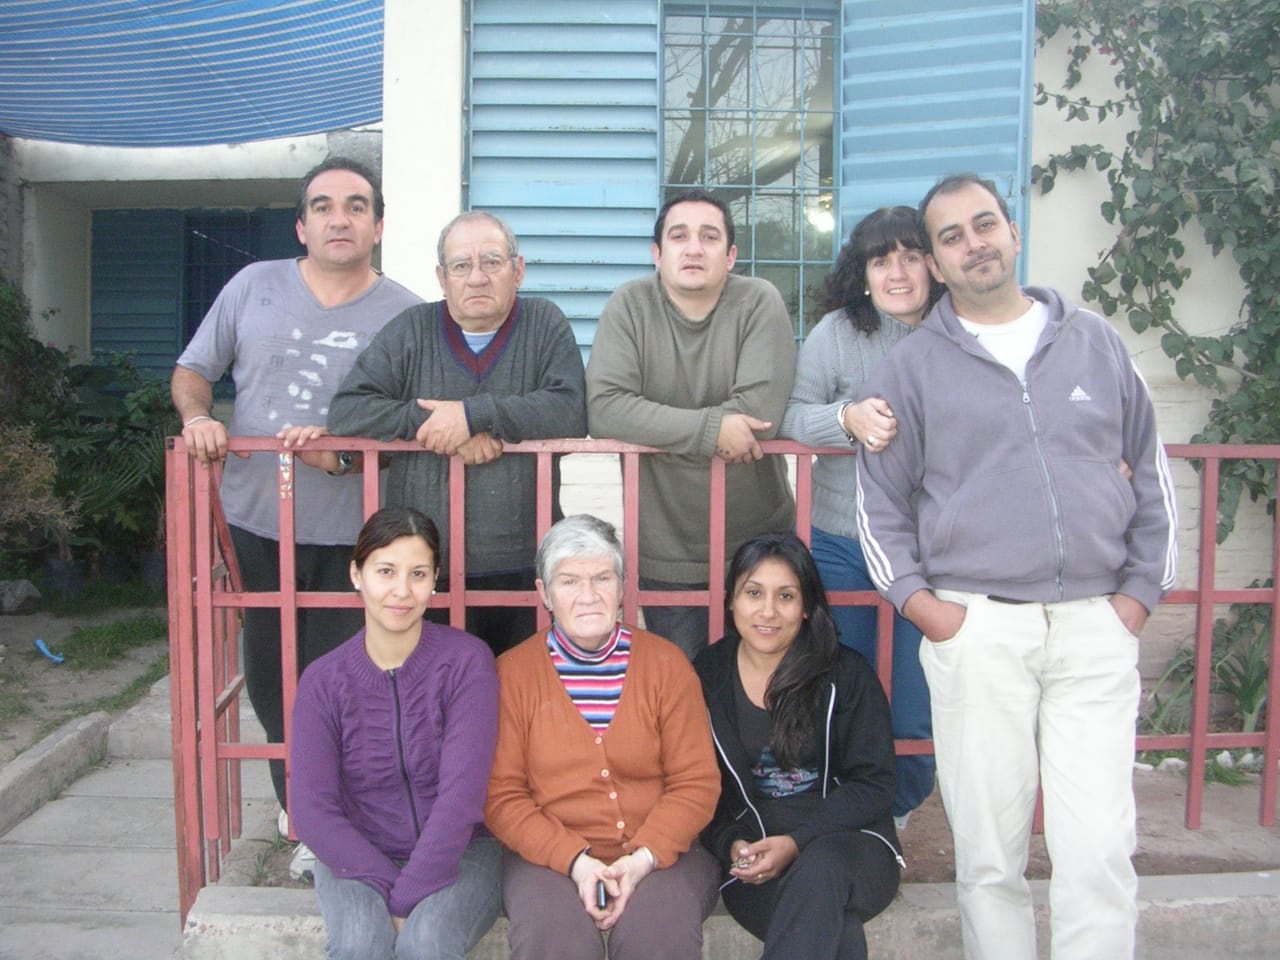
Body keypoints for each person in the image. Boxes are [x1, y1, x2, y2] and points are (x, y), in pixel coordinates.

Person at [856, 173, 1178, 960]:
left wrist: (1135, 598)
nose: (975, 244)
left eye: (985, 224)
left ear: (1013, 231)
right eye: (953, 237)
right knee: (991, 854)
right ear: (935, 260)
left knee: (1098, 846)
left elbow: (1154, 471)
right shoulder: (912, 367)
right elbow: (881, 506)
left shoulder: (1094, 342)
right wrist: (930, 610)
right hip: (979, 631)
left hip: (1095, 627)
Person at [171, 156, 423, 822]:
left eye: (356, 206)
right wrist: (199, 417)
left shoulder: (407, 314)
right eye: (323, 206)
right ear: (301, 226)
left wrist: (343, 455)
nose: (339, 218)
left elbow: (421, 428)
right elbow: (194, 372)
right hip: (258, 519)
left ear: (378, 225)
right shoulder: (254, 286)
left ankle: (343, 808)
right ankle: (302, 815)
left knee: (343, 679)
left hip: (358, 532)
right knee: (272, 677)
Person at [324, 211, 586, 657]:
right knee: (434, 701)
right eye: (462, 266)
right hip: (426, 565)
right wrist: (434, 426)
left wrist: (472, 414)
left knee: (518, 705)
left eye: (492, 262)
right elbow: (347, 411)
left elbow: (570, 410)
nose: (478, 278)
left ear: (517, 270)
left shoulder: (544, 323)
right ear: (442, 279)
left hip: (526, 563)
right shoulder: (411, 330)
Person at [484, 514, 721, 960]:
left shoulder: (667, 666)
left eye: (602, 578)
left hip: (662, 853)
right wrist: (576, 862)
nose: (589, 595)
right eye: (569, 581)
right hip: (547, 857)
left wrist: (640, 859)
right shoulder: (512, 674)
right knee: (553, 940)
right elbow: (502, 797)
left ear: (622, 586)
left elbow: (696, 783)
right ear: (544, 593)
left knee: (658, 935)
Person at [777, 206, 941, 828]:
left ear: (934, 263)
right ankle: (841, 806)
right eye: (881, 259)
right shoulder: (838, 332)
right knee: (842, 682)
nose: (897, 272)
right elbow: (792, 414)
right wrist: (845, 418)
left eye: (910, 255)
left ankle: (895, 812)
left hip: (929, 550)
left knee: (911, 695)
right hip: (842, 540)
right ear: (862, 272)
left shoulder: (958, 329)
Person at [585, 189, 797, 660]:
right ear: (657, 254)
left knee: (767, 690)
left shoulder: (758, 302)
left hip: (760, 545)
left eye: (709, 236)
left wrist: (658, 425)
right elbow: (605, 408)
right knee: (685, 694)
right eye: (679, 236)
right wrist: (713, 432)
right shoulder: (630, 306)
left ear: (731, 255)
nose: (694, 248)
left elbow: (758, 414)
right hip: (665, 548)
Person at [289, 507, 500, 960]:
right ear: (356, 574)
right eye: (386, 571)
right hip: (356, 856)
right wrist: (387, 885)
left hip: (464, 852)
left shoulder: (467, 663)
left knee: (427, 945)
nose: (402, 591)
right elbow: (311, 809)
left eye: (418, 573)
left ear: (435, 579)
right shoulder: (323, 680)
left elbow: (462, 796)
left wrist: (412, 890)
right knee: (359, 944)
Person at [693, 532, 903, 960]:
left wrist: (799, 840)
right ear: (731, 600)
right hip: (756, 858)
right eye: (753, 593)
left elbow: (876, 784)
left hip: (852, 846)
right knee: (835, 931)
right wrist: (732, 843)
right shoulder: (706, 675)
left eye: (786, 596)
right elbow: (697, 786)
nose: (768, 611)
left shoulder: (845, 673)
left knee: (819, 868)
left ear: (806, 606)